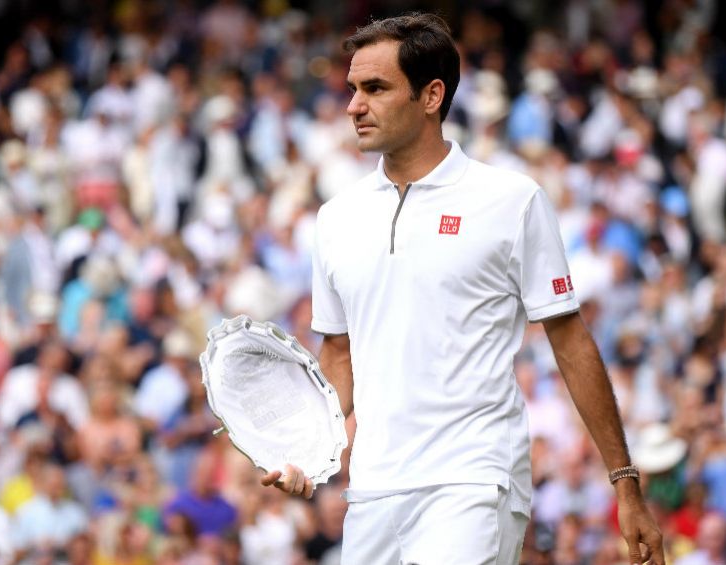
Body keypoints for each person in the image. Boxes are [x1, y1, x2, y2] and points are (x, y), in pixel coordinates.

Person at [259, 13, 664, 565]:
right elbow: (339, 353)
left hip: (473, 479)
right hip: (372, 490)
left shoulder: (511, 200)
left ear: (431, 96)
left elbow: (570, 341)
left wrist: (624, 481)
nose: (354, 105)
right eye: (353, 88)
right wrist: (306, 453)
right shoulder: (334, 219)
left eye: (375, 88)